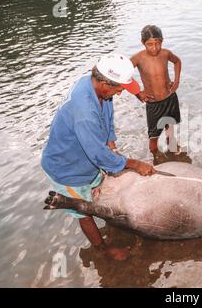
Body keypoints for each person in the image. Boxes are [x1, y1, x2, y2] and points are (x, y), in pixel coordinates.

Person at [41, 53, 155, 261]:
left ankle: (109, 222)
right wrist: (133, 164)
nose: (121, 93)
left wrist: (111, 145)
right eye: (119, 88)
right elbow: (96, 153)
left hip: (84, 158)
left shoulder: (97, 89)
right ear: (104, 83)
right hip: (67, 168)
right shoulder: (84, 111)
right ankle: (101, 248)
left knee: (98, 191)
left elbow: (107, 117)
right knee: (84, 211)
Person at [130, 25, 182, 164]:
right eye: (150, 44)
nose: (154, 48)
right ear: (143, 43)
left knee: (170, 129)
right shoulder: (138, 58)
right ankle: (155, 158)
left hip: (170, 98)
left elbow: (177, 61)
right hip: (153, 104)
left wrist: (176, 81)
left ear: (162, 41)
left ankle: (175, 156)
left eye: (157, 43)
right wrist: (137, 92)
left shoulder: (165, 53)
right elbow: (125, 74)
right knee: (153, 137)